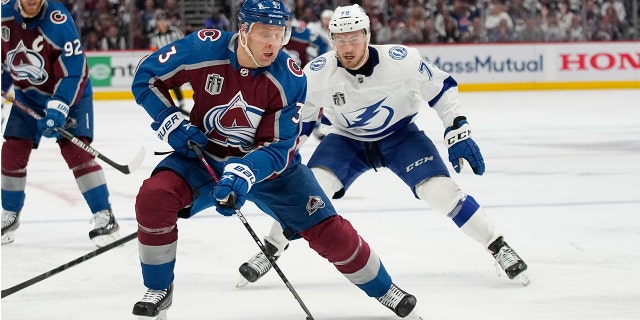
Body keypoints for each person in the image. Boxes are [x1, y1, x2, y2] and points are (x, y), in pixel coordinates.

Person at [129, 0, 423, 319]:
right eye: (265, 33)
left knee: (329, 230)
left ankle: (385, 289)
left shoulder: (289, 77)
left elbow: (279, 145)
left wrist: (245, 172)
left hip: (271, 170)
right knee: (154, 197)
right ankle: (159, 288)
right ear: (244, 31)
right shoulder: (203, 48)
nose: (274, 43)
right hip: (204, 156)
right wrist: (168, 118)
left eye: (279, 34)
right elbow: (146, 77)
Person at [236, 4, 529, 288]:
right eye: (340, 40)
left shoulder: (403, 60)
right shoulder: (316, 73)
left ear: (367, 35)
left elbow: (441, 87)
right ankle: (271, 249)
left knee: (440, 192)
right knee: (312, 193)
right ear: (332, 39)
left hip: (401, 137)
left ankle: (498, 246)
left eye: (354, 38)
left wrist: (458, 129)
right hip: (346, 140)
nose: (347, 48)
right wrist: (280, 153)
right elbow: (303, 121)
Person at [1, 0, 120, 247]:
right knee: (12, 151)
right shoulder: (3, 16)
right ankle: (9, 215)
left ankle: (104, 215)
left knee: (76, 152)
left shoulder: (59, 21)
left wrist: (60, 104)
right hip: (28, 95)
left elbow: (74, 71)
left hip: (71, 95)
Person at [149, 10, 187, 114]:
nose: (162, 24)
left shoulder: (175, 32)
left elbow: (184, 43)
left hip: (181, 61)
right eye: (160, 22)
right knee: (173, 82)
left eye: (164, 21)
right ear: (157, 24)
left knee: (193, 78)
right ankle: (180, 103)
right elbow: (154, 54)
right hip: (167, 65)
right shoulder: (155, 38)